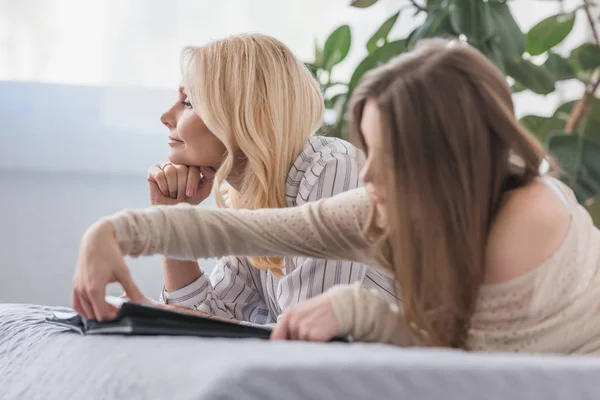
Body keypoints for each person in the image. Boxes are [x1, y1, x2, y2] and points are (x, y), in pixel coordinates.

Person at [73, 38, 600, 354]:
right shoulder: (392, 199)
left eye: (385, 154)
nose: (365, 171)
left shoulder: (526, 219)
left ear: (442, 156)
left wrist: (358, 312)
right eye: (366, 147)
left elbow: (467, 366)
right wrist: (120, 231)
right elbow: (248, 231)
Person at [75, 33, 396, 325]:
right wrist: (172, 213)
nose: (166, 116)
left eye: (188, 102)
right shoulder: (249, 196)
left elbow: (307, 335)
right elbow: (206, 315)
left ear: (242, 113)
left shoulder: (331, 168)